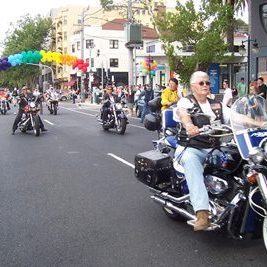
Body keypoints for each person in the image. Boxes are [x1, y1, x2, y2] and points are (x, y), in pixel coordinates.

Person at [174, 71, 231, 231]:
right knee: (192, 161)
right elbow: (183, 114)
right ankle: (202, 213)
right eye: (201, 83)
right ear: (193, 87)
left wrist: (259, 122)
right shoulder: (186, 102)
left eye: (207, 83)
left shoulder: (216, 104)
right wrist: (190, 126)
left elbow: (235, 116)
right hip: (192, 147)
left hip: (214, 148)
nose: (205, 85)